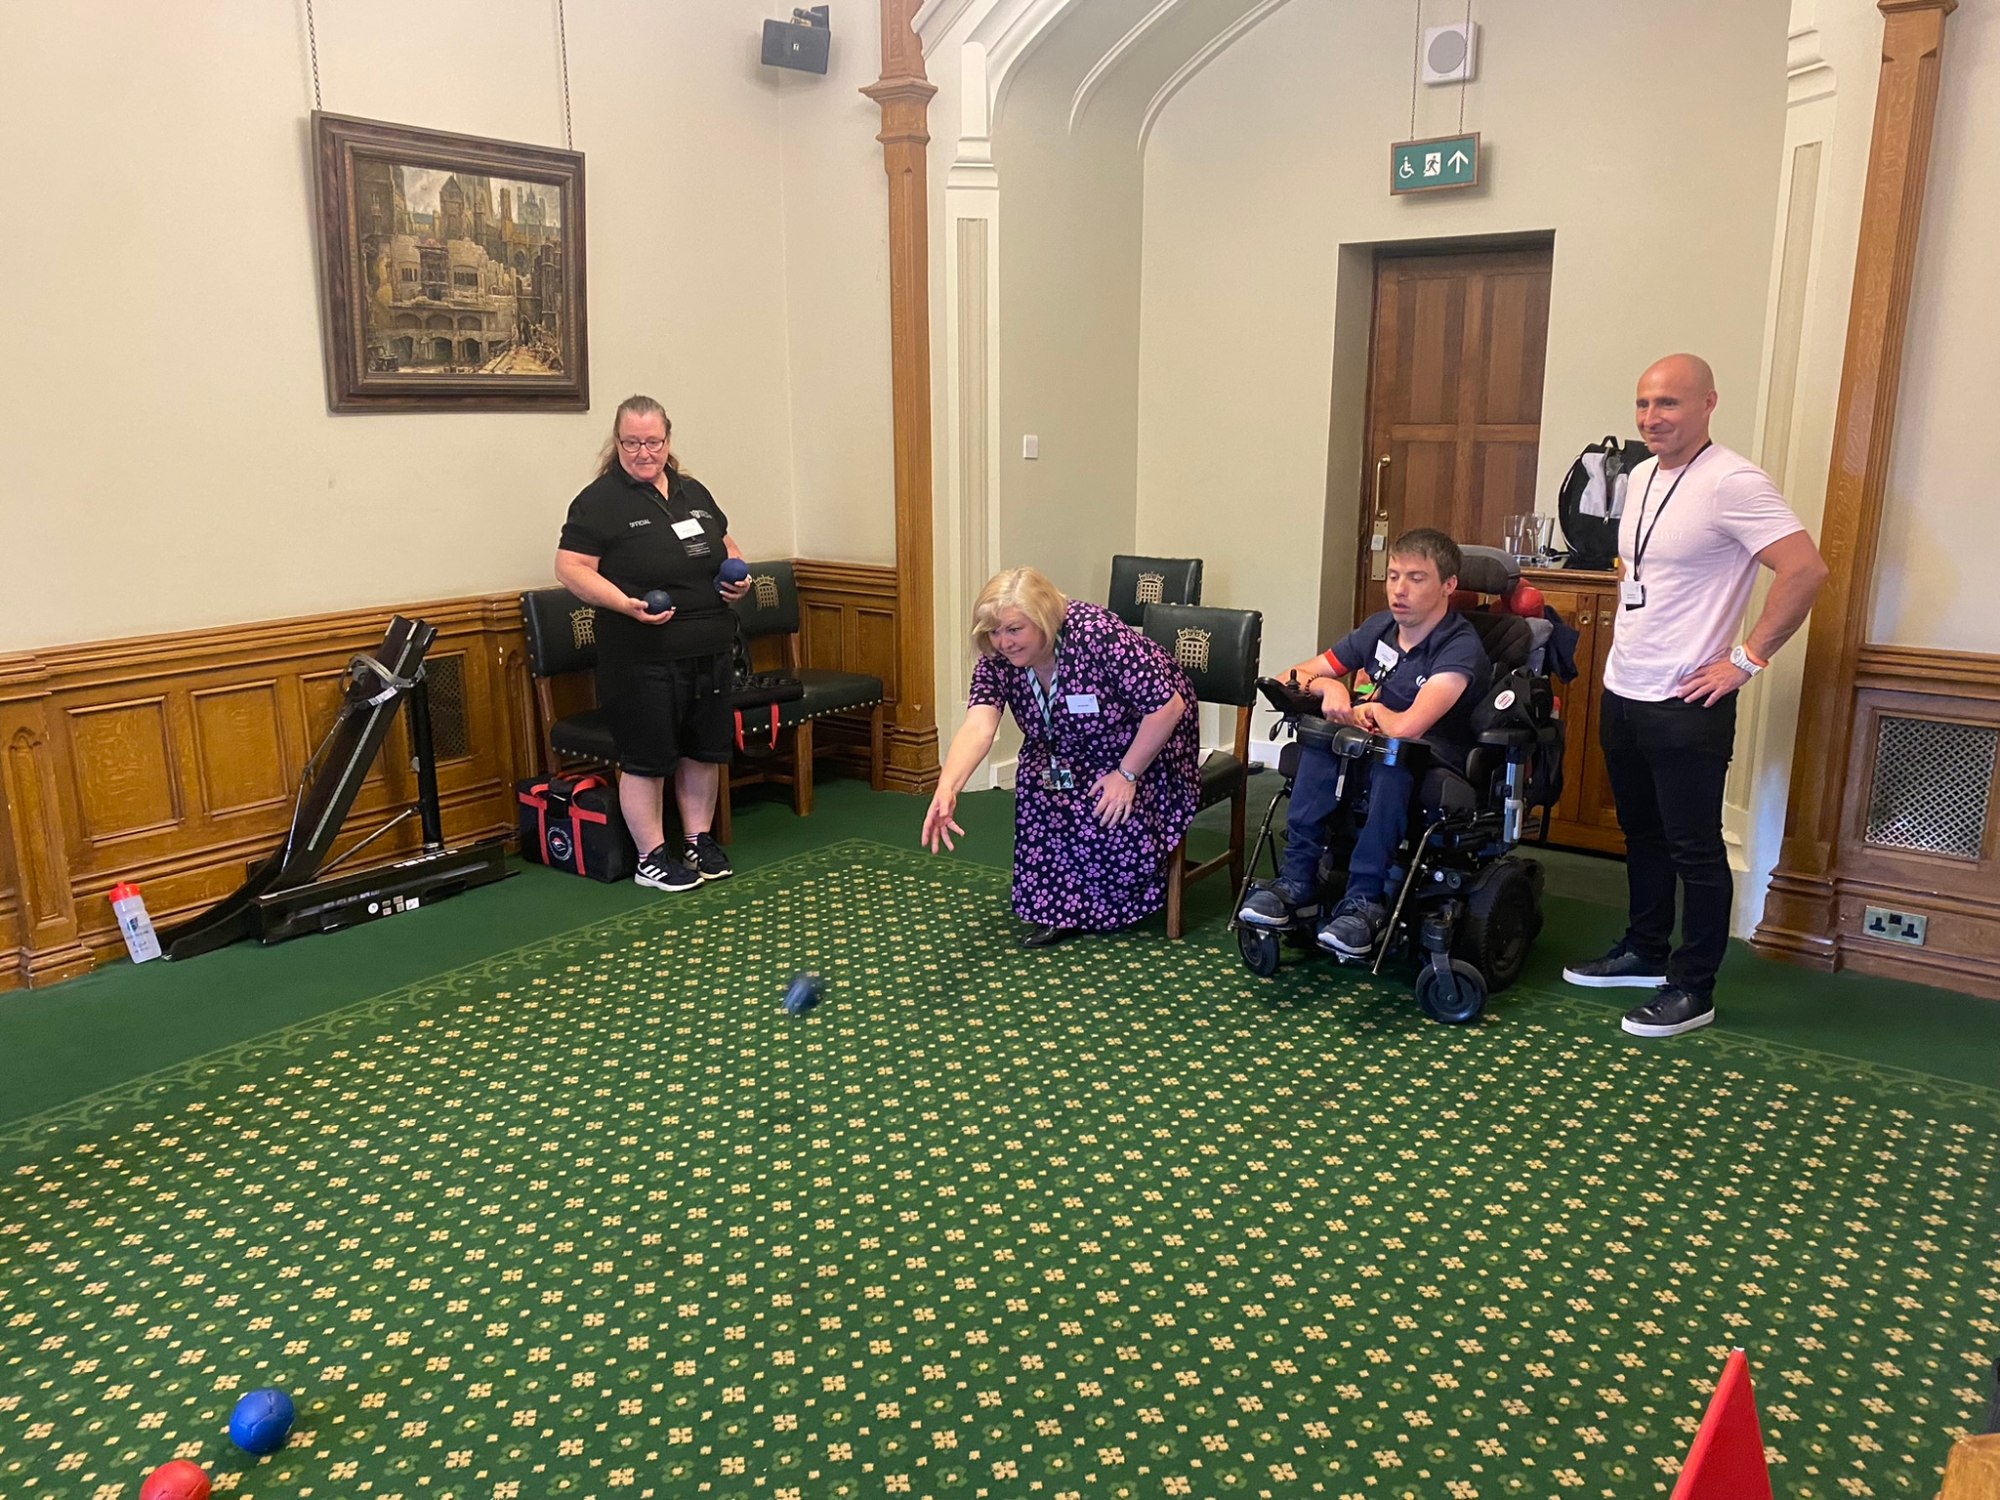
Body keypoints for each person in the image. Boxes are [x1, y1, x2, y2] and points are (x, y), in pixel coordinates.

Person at [1561, 353, 1828, 1038]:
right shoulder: (1643, 475)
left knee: (1695, 848)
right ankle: (1646, 951)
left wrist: (1747, 659)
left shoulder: (1733, 482)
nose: (1653, 418)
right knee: (1640, 833)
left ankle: (1693, 987)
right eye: (1644, 404)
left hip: (1689, 702)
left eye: (1669, 405)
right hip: (1625, 688)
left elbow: (1804, 569)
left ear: (1708, 404)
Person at [1237, 529, 1491, 957]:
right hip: (1368, 746)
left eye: (1416, 578)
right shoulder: (1379, 629)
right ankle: (1297, 881)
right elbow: (1292, 677)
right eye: (1393, 576)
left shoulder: (1459, 647)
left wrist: (1367, 712)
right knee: (1322, 739)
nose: (1399, 590)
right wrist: (1328, 688)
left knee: (1390, 758)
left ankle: (1364, 901)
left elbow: (1409, 726)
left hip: (1431, 759)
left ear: (1448, 585)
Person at [921, 567, 1200, 946]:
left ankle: (1117, 895)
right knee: (1038, 783)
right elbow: (979, 725)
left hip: (1143, 732)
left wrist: (1127, 775)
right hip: (1062, 741)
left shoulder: (1096, 634)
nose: (1003, 642)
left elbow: (1167, 708)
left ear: (1044, 620)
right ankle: (1061, 909)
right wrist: (948, 787)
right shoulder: (997, 655)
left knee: (1110, 805)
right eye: (994, 631)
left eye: (1014, 629)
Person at [554, 395, 754, 893]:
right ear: (616, 442)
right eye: (632, 443)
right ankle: (651, 856)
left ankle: (697, 840)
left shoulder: (693, 491)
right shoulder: (599, 500)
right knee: (647, 756)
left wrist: (739, 581)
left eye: (653, 442)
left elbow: (725, 548)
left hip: (707, 648)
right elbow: (570, 568)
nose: (644, 452)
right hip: (639, 654)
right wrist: (625, 604)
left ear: (668, 440)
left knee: (701, 751)